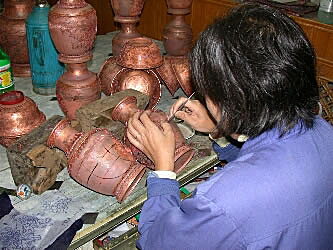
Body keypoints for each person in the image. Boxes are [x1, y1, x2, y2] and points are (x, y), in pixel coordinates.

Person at [126, 3, 333, 249]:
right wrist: (218, 127)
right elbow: (272, 163)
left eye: (208, 92)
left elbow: (158, 242)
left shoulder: (223, 202)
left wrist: (163, 167)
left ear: (235, 104)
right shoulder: (323, 131)